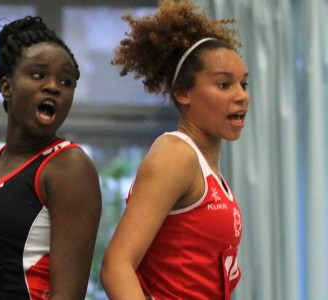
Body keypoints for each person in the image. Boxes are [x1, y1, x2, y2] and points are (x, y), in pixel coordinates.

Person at [100, 1, 249, 299]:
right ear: (182, 92)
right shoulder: (175, 154)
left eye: (244, 84)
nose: (241, 96)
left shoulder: (208, 170)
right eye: (224, 84)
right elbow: (116, 265)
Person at [0, 16, 102, 300]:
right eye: (38, 75)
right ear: (7, 87)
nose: (53, 86)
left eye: (66, 81)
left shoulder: (68, 168)